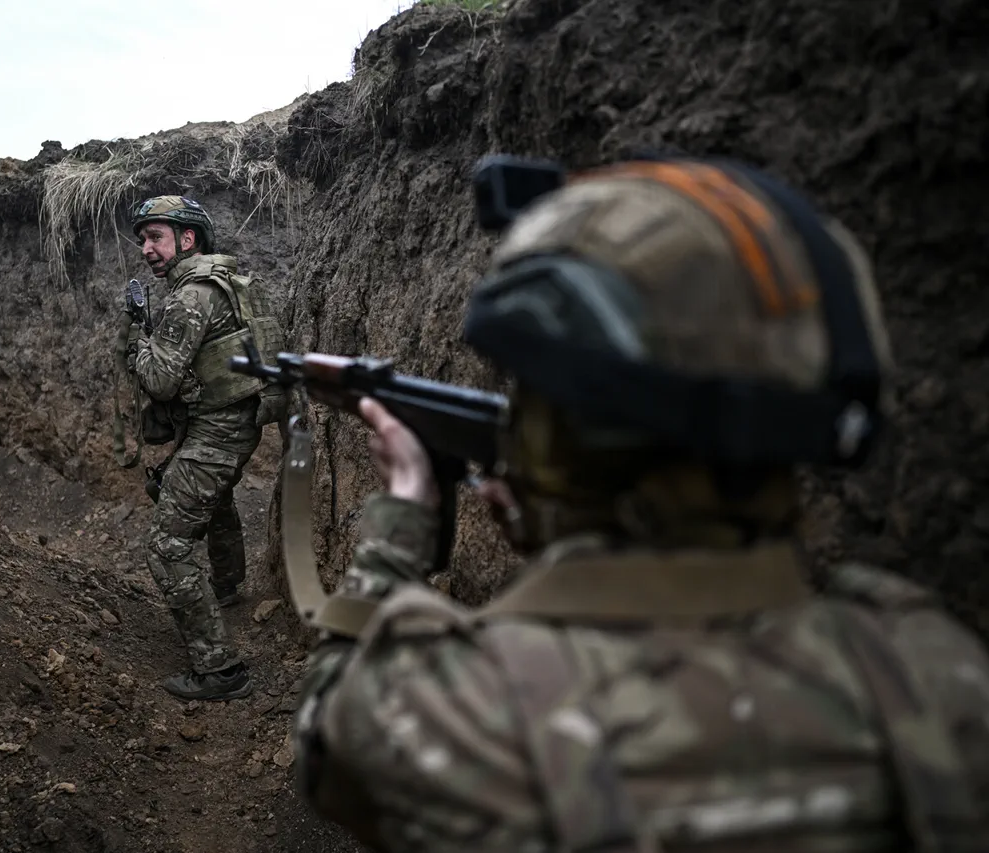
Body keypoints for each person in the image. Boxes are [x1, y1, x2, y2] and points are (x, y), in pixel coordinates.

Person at [290, 158, 989, 850]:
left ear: (563, 432)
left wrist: (404, 511)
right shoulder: (934, 674)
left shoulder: (464, 712)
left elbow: (329, 734)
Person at [125, 194, 281, 701]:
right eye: (143, 238)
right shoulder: (222, 279)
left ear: (186, 239)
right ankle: (229, 586)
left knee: (166, 548)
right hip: (235, 421)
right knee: (212, 503)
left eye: (156, 237)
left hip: (218, 430)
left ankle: (219, 670)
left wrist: (136, 332)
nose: (146, 247)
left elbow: (160, 380)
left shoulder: (189, 296)